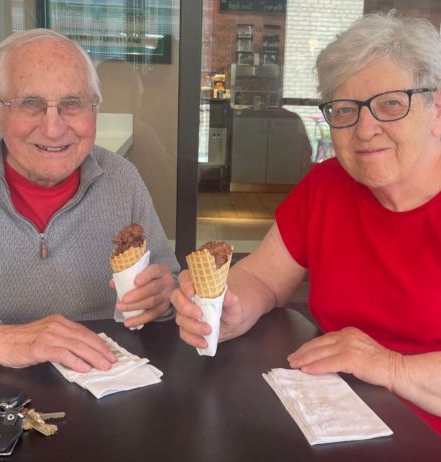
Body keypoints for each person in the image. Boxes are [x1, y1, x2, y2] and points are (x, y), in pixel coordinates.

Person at [171, 12, 441, 434]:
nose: (365, 128)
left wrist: (389, 366)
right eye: (345, 108)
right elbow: (262, 277)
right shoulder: (328, 184)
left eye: (390, 103)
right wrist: (229, 308)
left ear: (436, 108)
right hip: (327, 411)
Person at [0, 29, 180, 373]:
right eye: (30, 103)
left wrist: (164, 298)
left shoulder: (122, 179)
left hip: (108, 386)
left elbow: (172, 289)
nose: (53, 128)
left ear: (95, 109)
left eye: (72, 103)